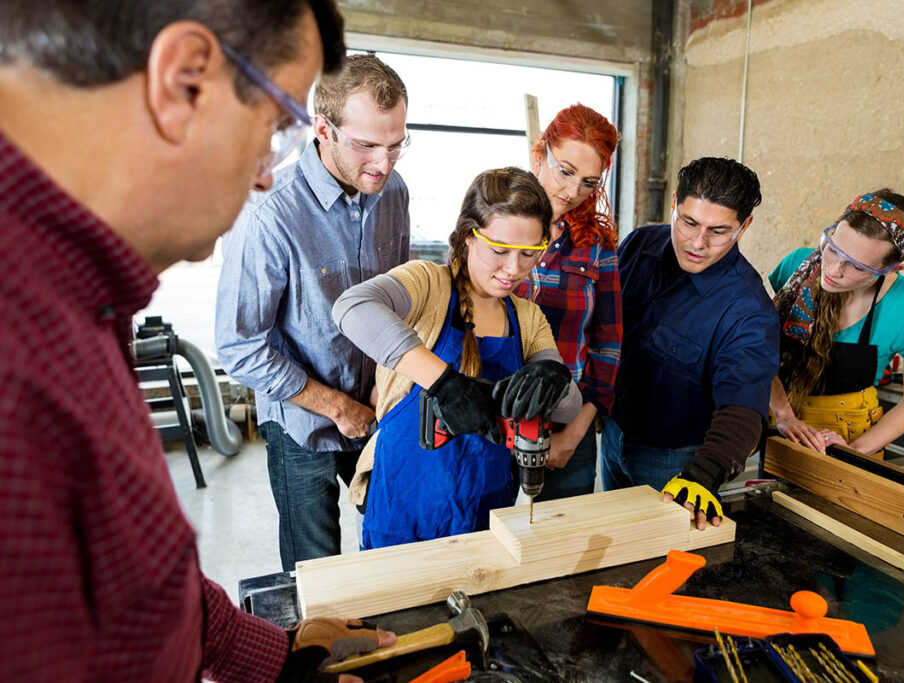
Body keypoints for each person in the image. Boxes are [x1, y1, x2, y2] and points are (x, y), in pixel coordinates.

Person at [0, 2, 396, 682]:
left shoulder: (78, 296)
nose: (267, 170)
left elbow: (138, 576)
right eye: (273, 126)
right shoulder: (19, 365)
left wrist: (270, 654)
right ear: (183, 82)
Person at [215, 55, 411, 571]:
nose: (383, 164)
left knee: (395, 542)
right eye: (366, 145)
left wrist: (388, 381)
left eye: (396, 145)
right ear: (323, 129)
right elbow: (240, 347)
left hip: (379, 406)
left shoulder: (394, 193)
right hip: (304, 423)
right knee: (316, 571)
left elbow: (398, 296)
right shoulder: (267, 214)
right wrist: (337, 407)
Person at [334, 168, 582, 549]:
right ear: (470, 236)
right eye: (500, 250)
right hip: (405, 507)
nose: (514, 269)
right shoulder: (427, 285)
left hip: (489, 510)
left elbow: (570, 407)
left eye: (529, 253)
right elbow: (352, 307)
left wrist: (552, 378)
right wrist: (444, 382)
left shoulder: (527, 317)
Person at [605, 157, 779, 530]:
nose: (698, 243)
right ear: (674, 205)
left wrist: (704, 474)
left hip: (674, 462)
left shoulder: (747, 309)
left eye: (718, 231)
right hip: (614, 435)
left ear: (744, 226)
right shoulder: (639, 246)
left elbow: (744, 408)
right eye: (689, 223)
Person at [769, 190, 904, 456]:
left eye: (857, 267)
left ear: (893, 268)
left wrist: (853, 450)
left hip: (851, 434)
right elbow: (757, 348)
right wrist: (783, 414)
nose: (834, 269)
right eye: (833, 249)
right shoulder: (796, 267)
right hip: (778, 424)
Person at [514, 104, 623, 501]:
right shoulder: (492, 220)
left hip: (566, 421)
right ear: (538, 155)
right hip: (492, 420)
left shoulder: (596, 246)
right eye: (565, 171)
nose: (573, 191)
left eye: (588, 182)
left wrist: (575, 432)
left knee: (562, 546)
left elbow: (608, 346)